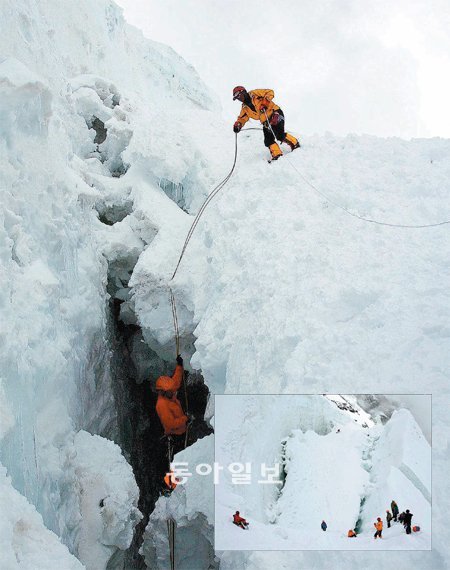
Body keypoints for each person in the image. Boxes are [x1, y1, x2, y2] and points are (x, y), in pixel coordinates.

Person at [232, 86, 300, 161]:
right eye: (236, 97)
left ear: (243, 92)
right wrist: (238, 125)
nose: (238, 98)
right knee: (268, 140)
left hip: (275, 114)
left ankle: (295, 143)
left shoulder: (255, 94)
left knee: (279, 134)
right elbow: (242, 118)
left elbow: (270, 92)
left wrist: (265, 103)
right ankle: (277, 154)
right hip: (266, 122)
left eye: (238, 94)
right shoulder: (245, 108)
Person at [155, 356, 188, 436]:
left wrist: (179, 366)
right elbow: (171, 424)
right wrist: (185, 419)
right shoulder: (162, 405)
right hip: (175, 435)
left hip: (183, 429)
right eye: (169, 391)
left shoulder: (169, 393)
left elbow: (176, 381)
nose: (172, 392)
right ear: (162, 392)